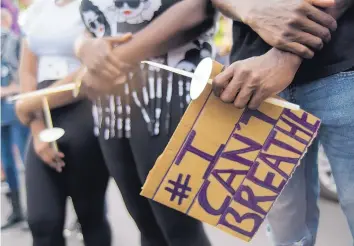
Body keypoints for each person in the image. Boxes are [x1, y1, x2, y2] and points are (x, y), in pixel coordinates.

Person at [210, 0, 354, 245]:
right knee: (284, 230)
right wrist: (250, 9)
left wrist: (285, 56)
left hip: (341, 70)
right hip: (257, 83)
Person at [74, 0, 217, 245]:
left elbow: (197, 7)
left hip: (167, 92)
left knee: (179, 228)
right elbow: (97, 21)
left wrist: (110, 61)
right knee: (147, 225)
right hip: (112, 107)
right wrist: (83, 46)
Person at [18, 0, 111, 245]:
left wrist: (32, 103)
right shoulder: (37, 11)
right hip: (41, 114)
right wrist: (37, 130)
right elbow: (28, 71)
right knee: (42, 220)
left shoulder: (93, 6)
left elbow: (93, 67)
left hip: (83, 109)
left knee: (90, 216)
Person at [1, 7, 29, 230]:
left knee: (26, 160)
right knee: (8, 164)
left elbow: (26, 78)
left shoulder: (16, 42)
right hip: (1, 115)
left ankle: (33, 208)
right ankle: (17, 211)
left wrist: (9, 89)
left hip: (16, 107)